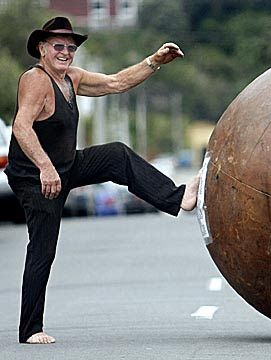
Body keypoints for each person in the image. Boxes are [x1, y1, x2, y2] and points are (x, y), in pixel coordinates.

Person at [5, 17, 200, 344]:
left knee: (116, 155)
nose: (65, 52)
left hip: (66, 166)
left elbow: (116, 83)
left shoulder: (72, 79)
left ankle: (177, 197)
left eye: (70, 47)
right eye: (58, 46)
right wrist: (45, 168)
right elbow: (22, 127)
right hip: (36, 178)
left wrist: (154, 61)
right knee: (43, 248)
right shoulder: (35, 80)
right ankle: (30, 329)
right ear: (42, 48)